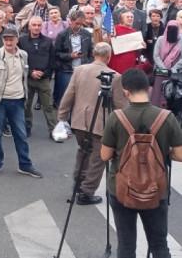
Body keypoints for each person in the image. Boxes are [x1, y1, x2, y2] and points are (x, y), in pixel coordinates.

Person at [101, 68, 182, 258]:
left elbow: (105, 155)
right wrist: (162, 153)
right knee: (159, 245)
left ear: (126, 91)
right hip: (156, 189)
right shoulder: (167, 117)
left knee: (126, 245)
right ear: (148, 88)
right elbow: (179, 154)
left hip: (122, 189)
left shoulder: (116, 117)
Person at [57, 42, 128, 205]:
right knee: (98, 159)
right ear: (108, 56)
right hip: (100, 124)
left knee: (83, 152)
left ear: (94, 54)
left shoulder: (80, 70)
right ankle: (87, 192)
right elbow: (120, 105)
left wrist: (62, 116)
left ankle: (77, 185)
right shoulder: (115, 76)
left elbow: (69, 95)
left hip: (79, 121)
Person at [0, 27, 43, 179]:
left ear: (17, 40)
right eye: (6, 39)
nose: (8, 42)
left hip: (18, 101)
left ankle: (25, 165)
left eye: (11, 39)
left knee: (21, 135)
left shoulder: (23, 55)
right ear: (3, 40)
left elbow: (25, 75)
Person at [18, 16, 57, 137]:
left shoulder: (48, 41)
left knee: (48, 106)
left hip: (43, 79)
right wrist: (30, 73)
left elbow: (52, 60)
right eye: (34, 25)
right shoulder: (22, 41)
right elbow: (18, 60)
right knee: (26, 106)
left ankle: (53, 131)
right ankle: (26, 128)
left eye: (39, 25)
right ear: (29, 26)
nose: (36, 27)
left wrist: (45, 73)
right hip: (27, 79)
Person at [54, 10, 93, 108]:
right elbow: (56, 54)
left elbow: (91, 53)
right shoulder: (62, 35)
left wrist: (88, 63)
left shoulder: (87, 34)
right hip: (66, 70)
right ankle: (62, 120)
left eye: (81, 24)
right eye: (77, 23)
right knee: (64, 97)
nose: (79, 26)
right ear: (70, 21)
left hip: (82, 70)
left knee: (81, 98)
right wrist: (70, 56)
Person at [151, 21, 182, 107]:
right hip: (161, 72)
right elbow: (156, 56)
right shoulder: (161, 39)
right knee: (158, 92)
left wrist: (173, 69)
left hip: (175, 73)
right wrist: (164, 68)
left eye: (174, 29)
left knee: (174, 94)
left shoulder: (181, 40)